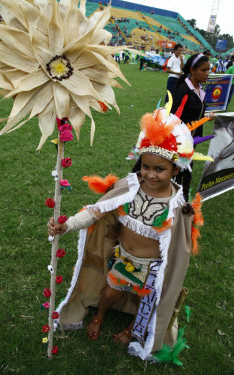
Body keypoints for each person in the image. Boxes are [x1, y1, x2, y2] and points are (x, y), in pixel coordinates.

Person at [48, 106, 212, 363]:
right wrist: (67, 224)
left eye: (160, 169)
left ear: (176, 170)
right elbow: (96, 212)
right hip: (123, 258)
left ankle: (133, 328)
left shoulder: (179, 207)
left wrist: (165, 276)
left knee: (145, 302)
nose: (150, 174)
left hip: (153, 269)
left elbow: (179, 251)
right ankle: (100, 315)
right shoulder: (130, 187)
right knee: (111, 292)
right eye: (146, 166)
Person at [171, 53, 215, 200]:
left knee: (188, 168)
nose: (207, 73)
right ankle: (173, 199)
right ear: (192, 70)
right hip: (180, 140)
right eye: (204, 70)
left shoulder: (199, 89)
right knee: (177, 170)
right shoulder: (183, 90)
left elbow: (195, 114)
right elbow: (173, 117)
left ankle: (183, 197)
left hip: (192, 139)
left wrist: (206, 117)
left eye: (209, 69)